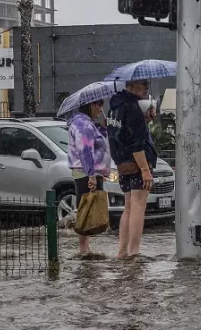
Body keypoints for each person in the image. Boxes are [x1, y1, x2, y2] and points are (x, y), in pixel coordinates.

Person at [107, 79, 158, 259]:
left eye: (147, 84)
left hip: (122, 164)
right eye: (143, 84)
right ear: (131, 86)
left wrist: (144, 121)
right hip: (136, 163)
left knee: (128, 207)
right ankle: (134, 252)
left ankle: (122, 251)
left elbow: (122, 133)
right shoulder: (132, 107)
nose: (146, 87)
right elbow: (136, 143)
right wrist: (145, 169)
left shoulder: (114, 107)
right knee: (138, 206)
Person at [67, 100, 112, 255]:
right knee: (85, 207)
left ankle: (85, 247)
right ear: (90, 105)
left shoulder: (86, 123)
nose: (101, 109)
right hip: (85, 172)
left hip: (87, 171)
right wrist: (92, 175)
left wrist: (104, 129)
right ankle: (83, 248)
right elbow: (85, 151)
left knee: (86, 206)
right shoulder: (83, 124)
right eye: (99, 105)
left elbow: (97, 144)